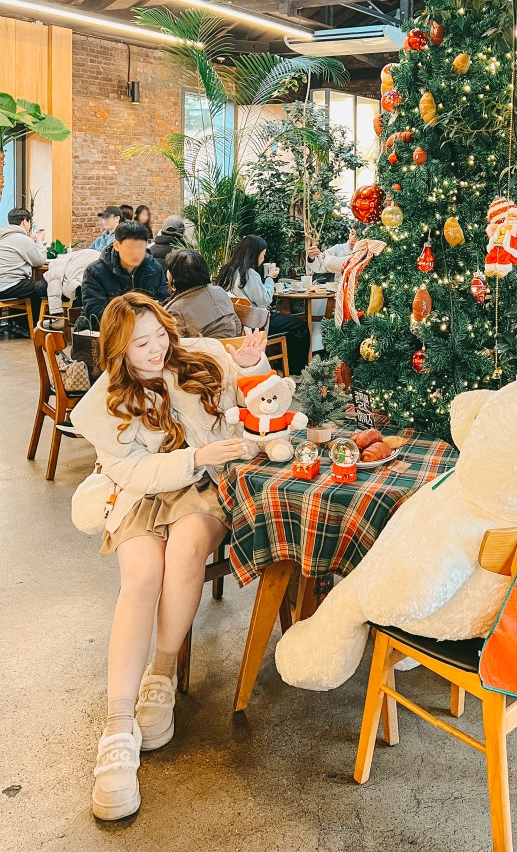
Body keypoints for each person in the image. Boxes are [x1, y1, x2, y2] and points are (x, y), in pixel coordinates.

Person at [69, 292, 270, 820]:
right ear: (118, 350)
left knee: (184, 552)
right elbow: (130, 470)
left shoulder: (205, 355)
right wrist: (194, 454)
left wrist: (252, 367)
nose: (157, 348)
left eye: (160, 334)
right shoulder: (105, 400)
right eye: (141, 344)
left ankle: (160, 676)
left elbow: (259, 406)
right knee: (140, 575)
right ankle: (117, 726)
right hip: (141, 491)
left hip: (207, 485)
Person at [216, 234, 309, 374]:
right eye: (262, 255)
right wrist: (270, 278)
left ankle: (280, 366)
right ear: (255, 255)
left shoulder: (226, 271)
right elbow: (265, 300)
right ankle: (296, 372)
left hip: (237, 323)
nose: (263, 259)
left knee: (290, 323)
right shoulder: (248, 274)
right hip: (255, 322)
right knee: (300, 327)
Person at [80, 221, 169, 324]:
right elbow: (96, 314)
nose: (136, 253)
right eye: (131, 247)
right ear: (117, 245)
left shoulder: (154, 269)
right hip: (105, 329)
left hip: (144, 328)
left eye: (141, 247)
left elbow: (164, 303)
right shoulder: (95, 272)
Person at [163, 250, 242, 339]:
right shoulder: (220, 291)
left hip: (201, 347)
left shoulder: (175, 310)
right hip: (233, 345)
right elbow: (237, 325)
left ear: (175, 277)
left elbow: (173, 342)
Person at [0, 207, 48, 327]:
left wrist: (30, 241)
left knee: (30, 286)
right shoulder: (22, 239)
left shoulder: (3, 236)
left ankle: (19, 324)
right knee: (45, 286)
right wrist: (39, 241)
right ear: (24, 222)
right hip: (9, 286)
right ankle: (33, 328)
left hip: (4, 285)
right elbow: (39, 261)